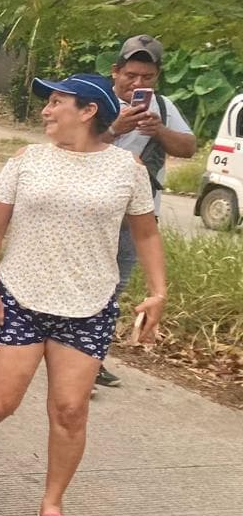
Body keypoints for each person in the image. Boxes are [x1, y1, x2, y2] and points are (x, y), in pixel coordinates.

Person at [0, 74, 167, 516]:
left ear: (88, 110)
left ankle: (52, 502)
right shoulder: (26, 161)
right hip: (19, 295)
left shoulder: (127, 169)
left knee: (71, 409)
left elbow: (146, 234)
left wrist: (158, 291)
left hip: (90, 302)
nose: (45, 111)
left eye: (56, 102)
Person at [93, 34, 196, 390]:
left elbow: (188, 147)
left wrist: (160, 130)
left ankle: (93, 358)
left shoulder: (163, 108)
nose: (138, 83)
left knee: (115, 287)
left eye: (147, 78)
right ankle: (75, 356)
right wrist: (113, 129)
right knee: (87, 284)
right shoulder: (94, 100)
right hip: (91, 214)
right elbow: (65, 146)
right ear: (116, 71)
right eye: (131, 75)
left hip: (137, 218)